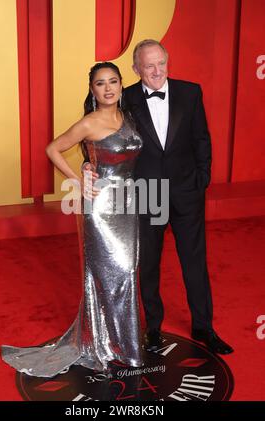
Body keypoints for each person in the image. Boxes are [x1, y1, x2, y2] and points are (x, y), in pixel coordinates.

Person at [85, 40, 233, 355]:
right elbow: (95, 123)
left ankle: (204, 326)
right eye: (148, 66)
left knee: (195, 261)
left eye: (161, 63)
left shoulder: (191, 92)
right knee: (149, 264)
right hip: (147, 193)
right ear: (136, 69)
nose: (156, 71)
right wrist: (89, 160)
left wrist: (202, 178)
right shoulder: (125, 97)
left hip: (186, 192)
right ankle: (153, 327)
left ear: (167, 62)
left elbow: (201, 138)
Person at [0, 62, 143, 377]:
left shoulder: (129, 116)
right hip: (102, 206)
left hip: (130, 201)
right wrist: (79, 180)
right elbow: (53, 148)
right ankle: (105, 347)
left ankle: (124, 344)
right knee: (110, 274)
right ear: (92, 90)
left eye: (113, 82)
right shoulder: (89, 123)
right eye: (100, 84)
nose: (108, 88)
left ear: (121, 85)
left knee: (128, 272)